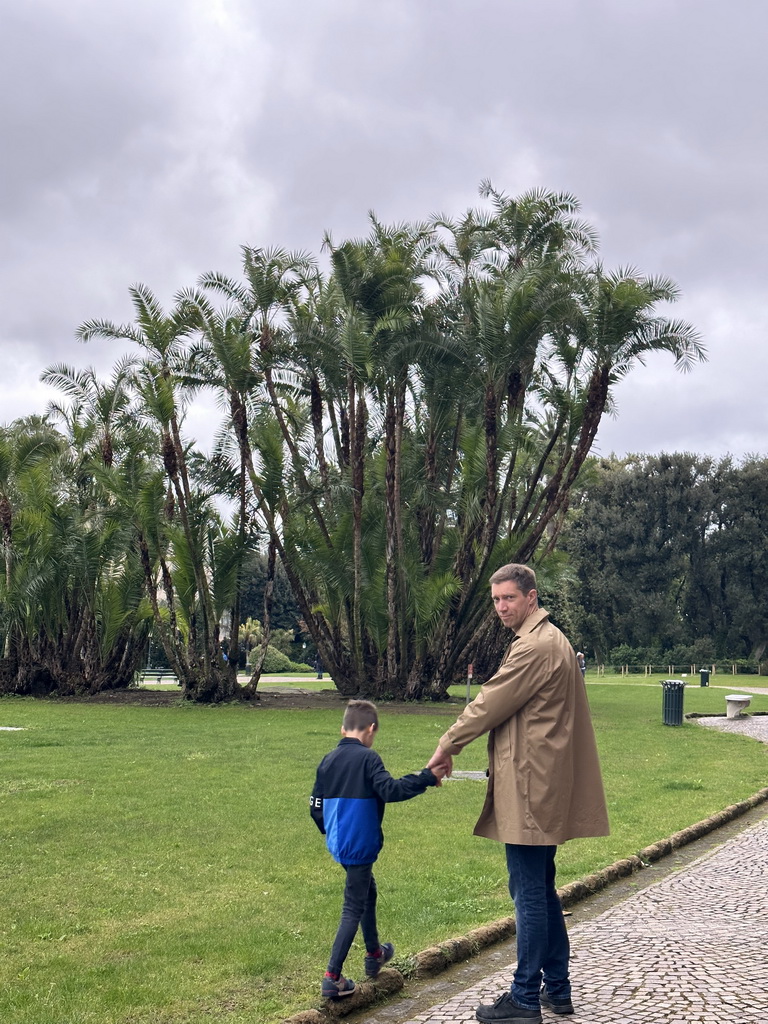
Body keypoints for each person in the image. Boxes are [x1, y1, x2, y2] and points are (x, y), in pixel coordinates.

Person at [427, 564, 609, 1024]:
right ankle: (558, 989)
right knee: (541, 891)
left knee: (529, 892)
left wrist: (447, 744)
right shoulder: (554, 640)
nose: (501, 608)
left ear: (531, 597)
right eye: (495, 600)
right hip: (542, 780)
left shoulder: (535, 646)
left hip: (531, 785)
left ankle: (526, 998)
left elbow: (489, 702)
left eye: (509, 598)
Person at [311, 699, 444, 1000]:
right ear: (371, 729)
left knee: (367, 891)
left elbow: (315, 806)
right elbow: (391, 790)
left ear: (343, 728)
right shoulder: (369, 759)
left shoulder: (327, 760)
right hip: (360, 844)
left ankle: (374, 954)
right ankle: (332, 976)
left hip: (339, 843)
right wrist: (425, 777)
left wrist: (330, 830)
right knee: (352, 906)